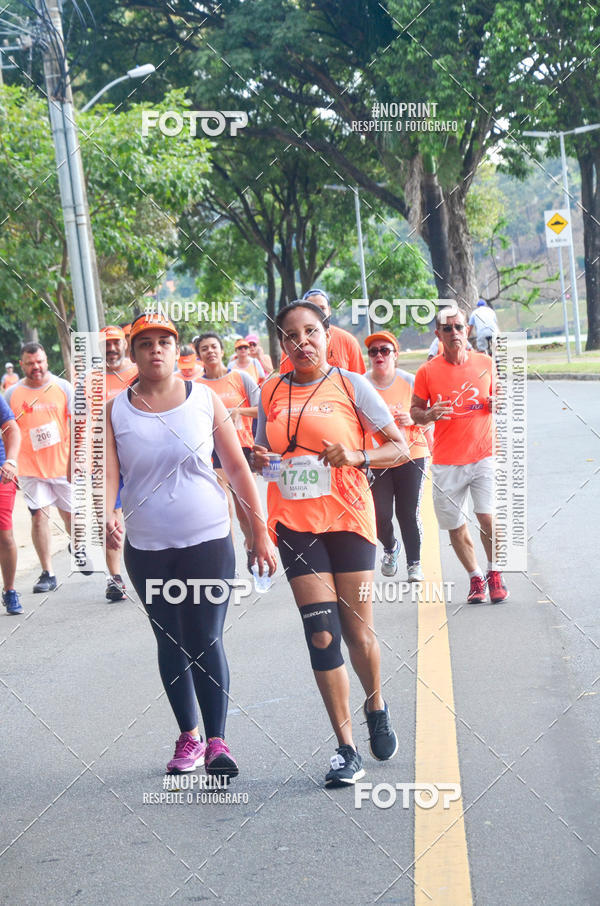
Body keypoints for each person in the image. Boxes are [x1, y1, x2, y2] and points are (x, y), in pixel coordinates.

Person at [105, 312, 276, 777]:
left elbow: (238, 469)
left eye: (164, 341)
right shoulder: (117, 408)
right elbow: (110, 474)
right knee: (169, 639)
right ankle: (188, 736)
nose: (155, 350)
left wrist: (259, 532)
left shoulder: (203, 399)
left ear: (174, 349)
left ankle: (218, 742)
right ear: (135, 353)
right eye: (145, 344)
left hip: (207, 538)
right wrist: (109, 511)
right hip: (148, 546)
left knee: (204, 636)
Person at [253, 300, 410, 787]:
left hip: (347, 517)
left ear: (326, 336)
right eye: (291, 335)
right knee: (321, 634)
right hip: (295, 524)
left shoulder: (350, 384)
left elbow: (400, 447)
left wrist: (358, 453)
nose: (302, 342)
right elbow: (267, 455)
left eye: (310, 332)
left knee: (357, 631)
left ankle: (376, 704)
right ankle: (345, 748)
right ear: (282, 344)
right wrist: (263, 460)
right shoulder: (270, 391)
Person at [410, 307, 509, 604]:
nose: (454, 333)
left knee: (487, 516)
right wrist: (428, 414)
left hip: (484, 454)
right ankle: (475, 577)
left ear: (468, 330)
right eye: (447, 328)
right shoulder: (427, 372)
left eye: (459, 327)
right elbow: (414, 413)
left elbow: (499, 396)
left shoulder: (485, 363)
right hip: (446, 461)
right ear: (438, 335)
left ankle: (495, 573)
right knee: (455, 525)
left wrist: (496, 402)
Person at [5, 343, 73, 594]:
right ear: (22, 365)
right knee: (38, 517)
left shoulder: (63, 388)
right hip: (30, 467)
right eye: (31, 363)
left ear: (46, 361)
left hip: (62, 465)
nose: (37, 367)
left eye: (41, 362)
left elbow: (79, 424)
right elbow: (6, 428)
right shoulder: (12, 394)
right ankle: (48, 572)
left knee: (71, 517)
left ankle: (77, 545)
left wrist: (77, 460)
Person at [364, 331, 429, 582]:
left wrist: (414, 419)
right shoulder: (361, 384)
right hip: (378, 456)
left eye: (385, 350)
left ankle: (415, 564)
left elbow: (429, 416)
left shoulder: (411, 382)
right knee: (379, 514)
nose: (379, 355)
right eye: (373, 351)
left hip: (412, 453)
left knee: (408, 512)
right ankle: (391, 548)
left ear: (395, 355)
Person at [195, 333, 259, 557]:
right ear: (199, 355)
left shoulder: (241, 378)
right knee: (223, 508)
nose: (210, 351)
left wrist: (239, 411)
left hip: (241, 446)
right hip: (212, 450)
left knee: (244, 510)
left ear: (222, 351)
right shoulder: (196, 386)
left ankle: (252, 548)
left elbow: (264, 408)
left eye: (214, 347)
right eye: (204, 349)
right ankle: (229, 561)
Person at [97, 326, 138, 601]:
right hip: (105, 458)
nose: (111, 349)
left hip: (139, 454)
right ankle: (115, 578)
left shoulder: (137, 374)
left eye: (115, 343)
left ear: (124, 345)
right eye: (106, 345)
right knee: (110, 517)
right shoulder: (89, 381)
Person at [279, 289, 366, 375]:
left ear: (329, 310)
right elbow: (285, 383)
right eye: (312, 309)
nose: (317, 313)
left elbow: (359, 381)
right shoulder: (292, 346)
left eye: (322, 308)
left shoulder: (349, 341)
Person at [0, 394, 22, 614]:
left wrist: (11, 460)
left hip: (1, 474)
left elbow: (11, 427)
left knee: (4, 536)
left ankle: (10, 589)